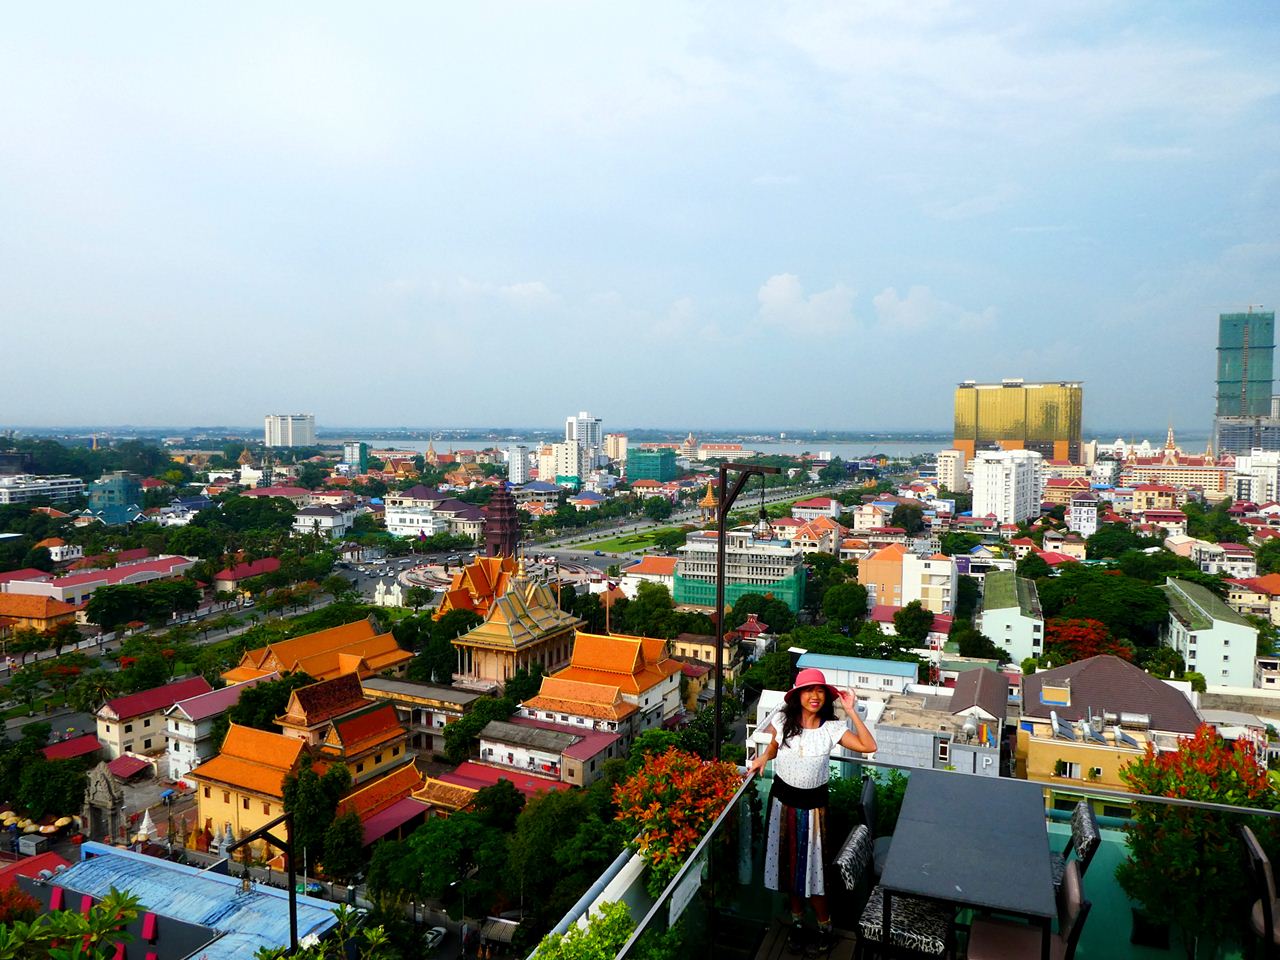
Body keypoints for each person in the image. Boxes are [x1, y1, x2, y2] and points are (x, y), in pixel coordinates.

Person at [746, 667, 876, 955]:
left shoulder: (831, 729)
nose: (814, 696)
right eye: (808, 690)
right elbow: (773, 747)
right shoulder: (783, 720)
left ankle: (824, 928)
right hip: (782, 805)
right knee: (788, 870)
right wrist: (761, 759)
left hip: (814, 812)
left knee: (814, 874)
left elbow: (869, 745)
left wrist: (850, 710)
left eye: (819, 691)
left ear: (826, 697)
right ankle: (797, 925)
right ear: (798, 696)